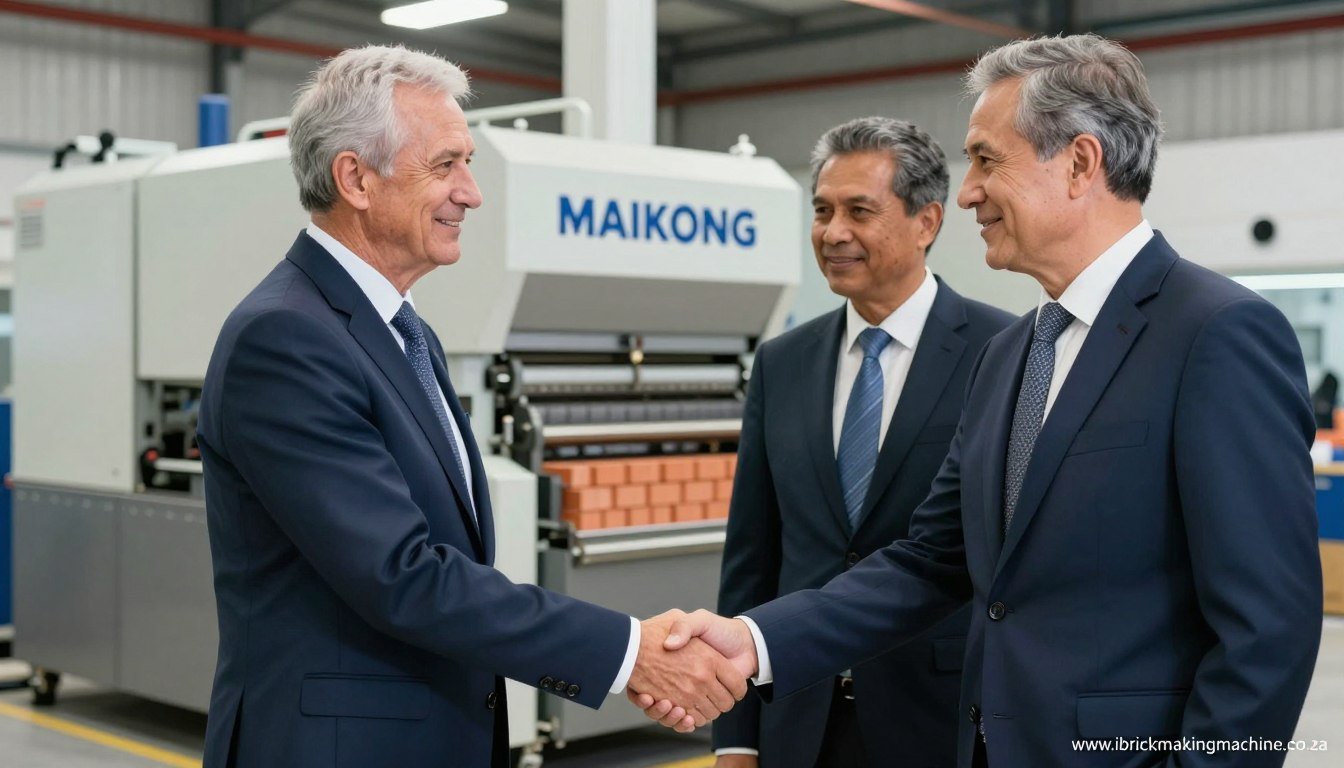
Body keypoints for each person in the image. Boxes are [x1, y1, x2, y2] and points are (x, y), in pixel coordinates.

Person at [641, 34, 1322, 768]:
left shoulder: (1217, 334)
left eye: (987, 161)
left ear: (1080, 163)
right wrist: (754, 640)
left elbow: (1267, 628)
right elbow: (931, 561)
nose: (967, 192)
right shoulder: (1011, 354)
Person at [196, 45, 744, 768]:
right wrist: (628, 652)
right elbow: (401, 575)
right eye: (446, 165)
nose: (472, 193)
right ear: (356, 178)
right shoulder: (286, 336)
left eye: (469, 163)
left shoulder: (403, 331)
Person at [713, 117, 1012, 768]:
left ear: (927, 222)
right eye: (822, 210)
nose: (832, 232)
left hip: (939, 719)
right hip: (797, 717)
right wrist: (737, 735)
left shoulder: (1003, 353)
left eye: (859, 211)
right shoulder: (782, 362)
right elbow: (752, 556)